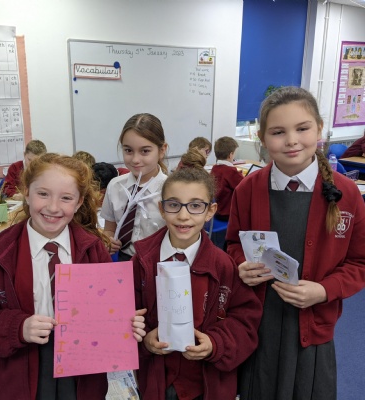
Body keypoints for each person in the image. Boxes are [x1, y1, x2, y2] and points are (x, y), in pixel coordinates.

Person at [0, 153, 146, 400]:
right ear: (26, 193)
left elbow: (109, 314)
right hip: (21, 371)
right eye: (43, 194)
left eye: (66, 198)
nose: (52, 207)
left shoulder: (92, 250)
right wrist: (18, 327)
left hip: (82, 374)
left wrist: (126, 324)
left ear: (79, 202)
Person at [226, 86, 365, 400]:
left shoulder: (346, 194)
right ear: (262, 138)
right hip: (259, 324)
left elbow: (360, 262)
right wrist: (241, 265)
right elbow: (233, 244)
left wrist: (324, 290)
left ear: (319, 129)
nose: (291, 140)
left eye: (302, 128)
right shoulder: (247, 190)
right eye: (278, 132)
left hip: (312, 328)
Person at [133, 167, 262, 400]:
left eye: (195, 205)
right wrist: (145, 341)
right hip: (156, 379)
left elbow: (245, 320)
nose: (183, 216)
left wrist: (215, 343)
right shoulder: (141, 262)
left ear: (210, 211)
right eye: (174, 205)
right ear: (162, 209)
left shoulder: (224, 266)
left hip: (205, 384)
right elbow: (125, 317)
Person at [101, 113, 168, 261]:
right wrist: (108, 240)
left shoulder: (171, 190)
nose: (135, 160)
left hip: (159, 261)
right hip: (125, 258)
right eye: (128, 150)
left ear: (162, 150)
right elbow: (109, 229)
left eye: (145, 151)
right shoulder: (115, 186)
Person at [210, 136, 244, 221]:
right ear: (230, 155)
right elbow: (245, 186)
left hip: (216, 211)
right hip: (227, 214)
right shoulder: (231, 172)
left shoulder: (215, 168)